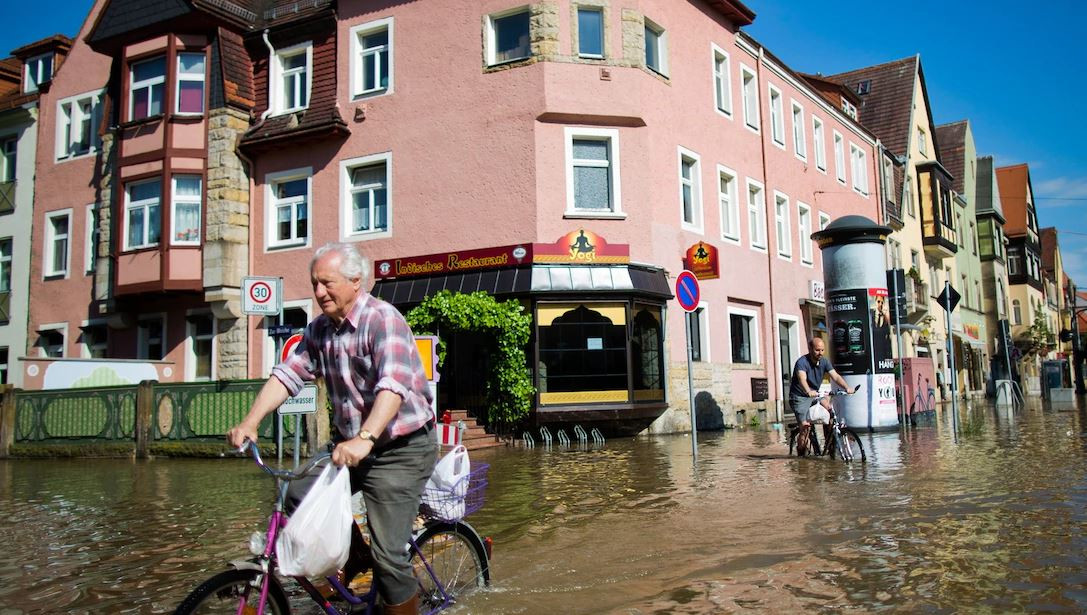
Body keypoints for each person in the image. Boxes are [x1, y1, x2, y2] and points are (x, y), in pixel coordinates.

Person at [227, 242, 435, 615]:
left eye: (327, 283)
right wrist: (250, 421)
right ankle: (358, 556)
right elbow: (288, 374)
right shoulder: (320, 330)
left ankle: (384, 567)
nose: (319, 292)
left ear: (356, 281)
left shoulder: (383, 320)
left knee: (390, 557)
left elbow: (393, 387)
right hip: (348, 446)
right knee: (294, 491)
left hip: (400, 449)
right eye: (314, 284)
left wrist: (365, 438)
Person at [789, 336, 850, 455]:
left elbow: (835, 376)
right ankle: (800, 452)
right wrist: (808, 391)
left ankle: (830, 447)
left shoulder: (824, 361)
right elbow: (802, 379)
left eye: (822, 350)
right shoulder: (802, 362)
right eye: (817, 350)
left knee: (830, 411)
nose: (820, 353)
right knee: (805, 427)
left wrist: (846, 387)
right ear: (810, 349)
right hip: (800, 396)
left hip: (815, 394)